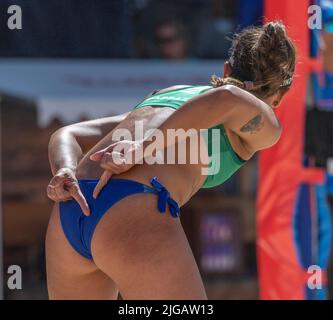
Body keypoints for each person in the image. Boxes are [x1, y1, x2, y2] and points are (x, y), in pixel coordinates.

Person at [46, 21, 296, 299]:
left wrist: (65, 168)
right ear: (281, 94)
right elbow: (227, 97)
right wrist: (143, 147)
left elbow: (67, 134)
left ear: (226, 69)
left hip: (71, 209)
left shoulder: (171, 94)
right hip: (131, 206)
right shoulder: (264, 122)